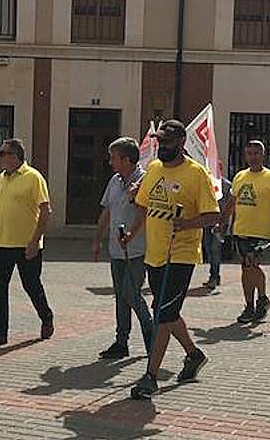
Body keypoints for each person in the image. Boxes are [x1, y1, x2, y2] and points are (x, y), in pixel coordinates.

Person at [123, 119, 218, 400]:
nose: (162, 146)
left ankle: (150, 376)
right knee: (167, 311)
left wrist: (187, 224)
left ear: (181, 143)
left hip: (180, 255)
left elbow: (213, 216)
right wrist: (131, 234)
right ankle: (194, 354)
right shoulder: (153, 168)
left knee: (162, 315)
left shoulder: (196, 174)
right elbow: (143, 206)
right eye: (159, 141)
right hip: (155, 253)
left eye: (167, 142)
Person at [0, 139, 54, 347]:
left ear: (16, 156)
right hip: (3, 244)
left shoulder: (33, 177)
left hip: (27, 245)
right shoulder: (1, 178)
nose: (0, 157)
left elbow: (45, 211)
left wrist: (35, 241)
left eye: (4, 153)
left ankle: (46, 317)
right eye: (0, 153)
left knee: (31, 286)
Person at [93, 137, 151, 359]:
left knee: (131, 293)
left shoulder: (145, 180)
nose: (110, 162)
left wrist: (131, 235)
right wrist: (97, 238)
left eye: (114, 158)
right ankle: (121, 342)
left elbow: (145, 213)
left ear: (127, 160)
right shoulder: (115, 181)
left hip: (137, 250)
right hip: (116, 250)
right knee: (120, 296)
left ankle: (151, 336)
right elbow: (107, 211)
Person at [224, 140, 270, 323]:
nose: (253, 157)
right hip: (241, 230)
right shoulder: (240, 177)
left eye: (256, 153)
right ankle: (251, 305)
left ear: (263, 155)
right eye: (249, 153)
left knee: (251, 263)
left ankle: (261, 298)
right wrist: (223, 222)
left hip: (262, 233)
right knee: (246, 268)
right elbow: (231, 202)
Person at [200, 175, 230, 291]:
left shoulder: (226, 185)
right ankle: (213, 275)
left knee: (215, 249)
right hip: (207, 221)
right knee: (208, 248)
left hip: (220, 222)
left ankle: (214, 277)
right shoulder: (206, 183)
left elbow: (229, 205)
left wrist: (224, 223)